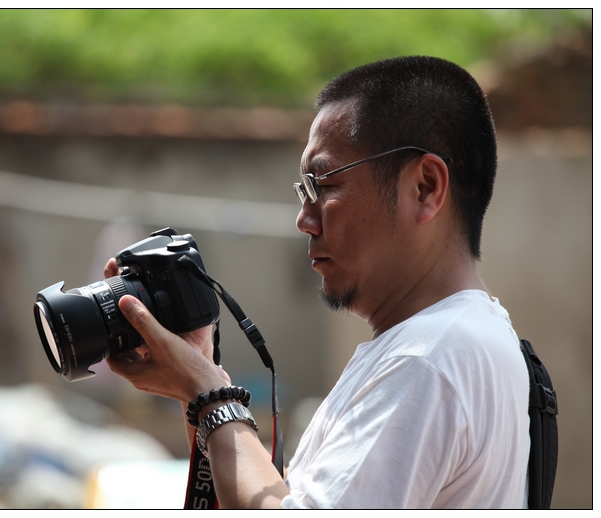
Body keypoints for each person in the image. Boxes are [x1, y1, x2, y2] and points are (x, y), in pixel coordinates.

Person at [104, 56, 530, 509]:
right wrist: (200, 378)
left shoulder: (426, 360)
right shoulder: (459, 339)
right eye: (303, 191)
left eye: (323, 184)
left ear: (424, 187)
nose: (304, 220)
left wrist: (209, 395)